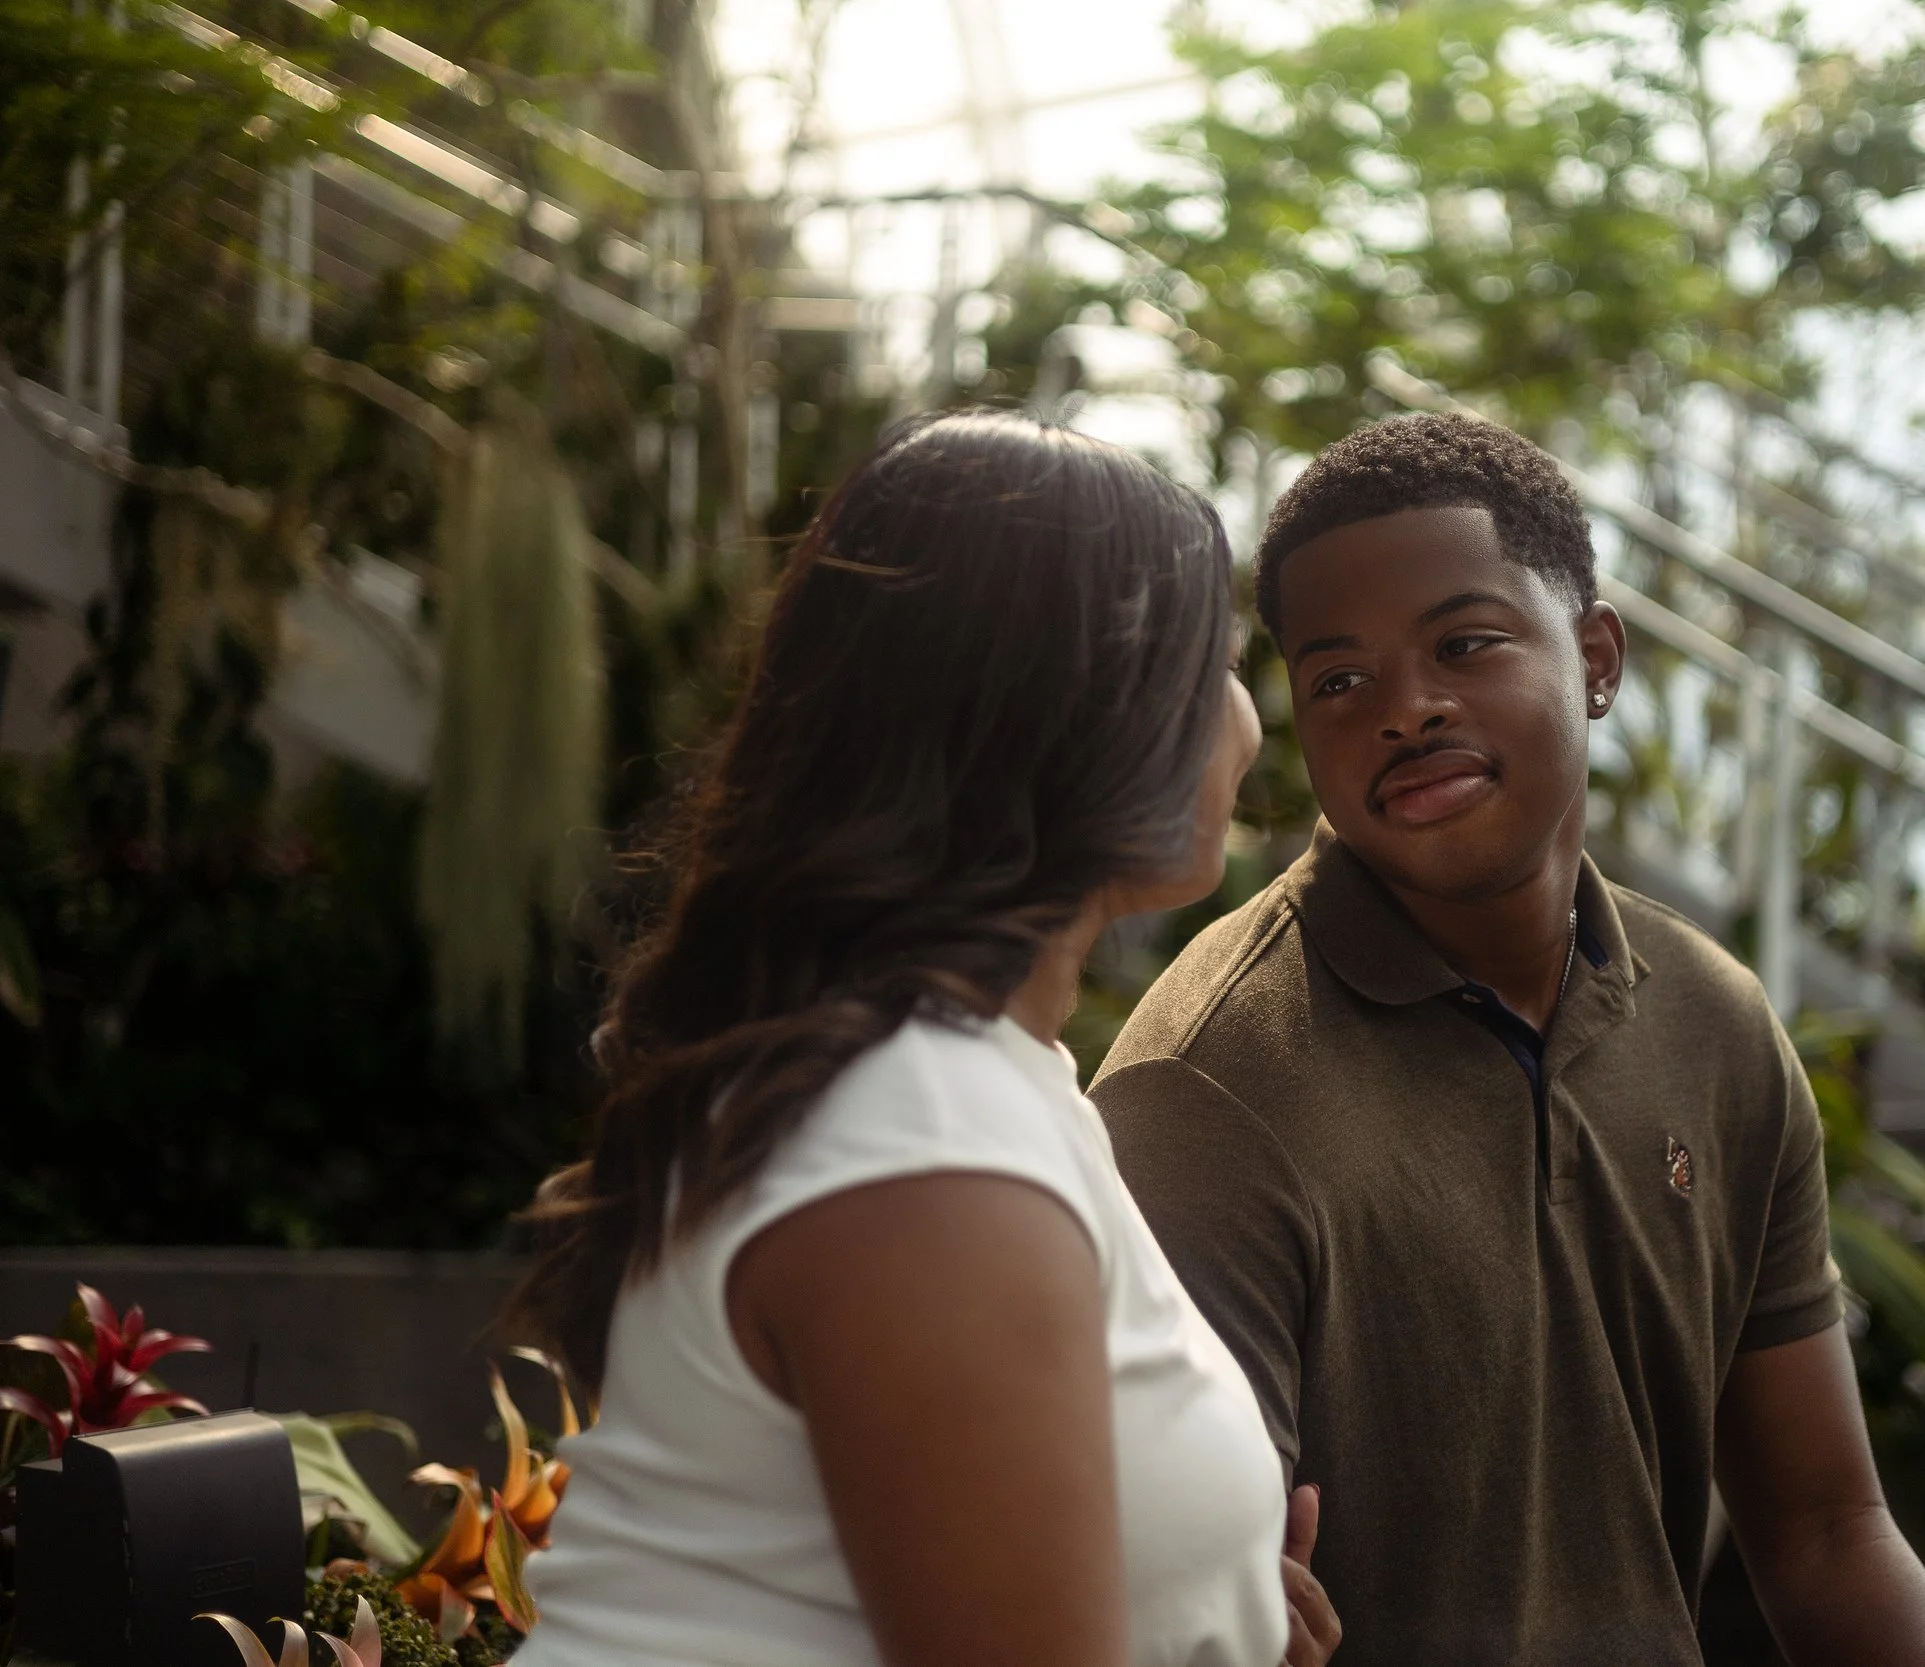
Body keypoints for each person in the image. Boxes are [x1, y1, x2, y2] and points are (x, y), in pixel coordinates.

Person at [1093, 412, 1925, 1667]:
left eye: (1463, 642)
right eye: (1338, 679)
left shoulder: (1713, 1023)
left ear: (1597, 657)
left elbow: (1828, 1527)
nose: (1404, 708)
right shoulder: (1211, 1086)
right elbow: (1189, 1594)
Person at [505, 411, 1340, 1667]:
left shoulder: (971, 1081)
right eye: (1209, 662)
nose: (1245, 720)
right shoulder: (924, 1143)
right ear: (1057, 711)